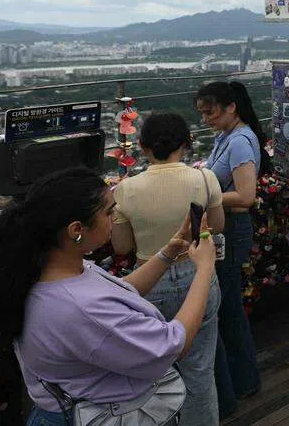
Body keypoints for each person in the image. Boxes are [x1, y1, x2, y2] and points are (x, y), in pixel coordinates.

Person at [0, 167, 217, 426]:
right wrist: (205, 268)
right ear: (76, 229)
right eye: (109, 212)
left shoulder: (51, 272)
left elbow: (120, 292)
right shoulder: (78, 306)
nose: (113, 218)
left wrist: (167, 254)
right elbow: (172, 346)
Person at [111, 113, 225, 426]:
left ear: (142, 146)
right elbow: (216, 225)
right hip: (196, 274)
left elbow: (121, 247)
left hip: (150, 281)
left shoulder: (125, 190)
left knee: (155, 376)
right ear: (186, 144)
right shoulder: (205, 178)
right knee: (199, 371)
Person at [195, 81, 266, 417]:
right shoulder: (226, 137)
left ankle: (245, 380)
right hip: (224, 229)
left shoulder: (239, 142)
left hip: (233, 229)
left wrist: (200, 196)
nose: (206, 118)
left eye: (211, 111)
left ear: (231, 107)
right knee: (227, 307)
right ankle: (241, 379)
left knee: (230, 308)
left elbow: (246, 195)